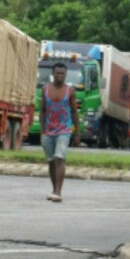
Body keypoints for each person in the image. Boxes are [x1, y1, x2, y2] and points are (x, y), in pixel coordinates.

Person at [40, 62, 80, 203]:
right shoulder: (45, 89)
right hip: (48, 130)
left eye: (62, 73)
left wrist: (77, 133)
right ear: (53, 74)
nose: (60, 76)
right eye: (57, 73)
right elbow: (43, 111)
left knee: (59, 158)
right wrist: (42, 130)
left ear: (66, 75)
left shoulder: (70, 91)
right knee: (51, 161)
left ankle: (58, 192)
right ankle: (53, 189)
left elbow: (74, 112)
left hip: (64, 130)